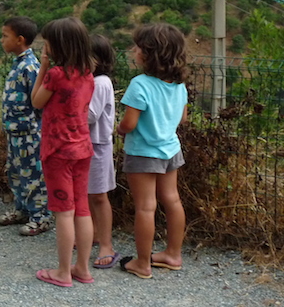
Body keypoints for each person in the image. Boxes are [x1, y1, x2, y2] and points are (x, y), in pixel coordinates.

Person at [117, 23, 188, 279]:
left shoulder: (140, 84)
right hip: (170, 150)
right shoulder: (179, 85)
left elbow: (130, 123)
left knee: (146, 207)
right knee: (173, 200)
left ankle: (143, 263)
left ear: (148, 53)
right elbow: (182, 119)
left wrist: (120, 129)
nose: (134, 50)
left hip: (143, 152)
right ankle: (172, 254)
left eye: (137, 46)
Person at [31, 17, 95, 287]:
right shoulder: (89, 74)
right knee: (82, 208)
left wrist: (44, 66)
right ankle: (82, 268)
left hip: (58, 151)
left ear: (57, 46)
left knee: (64, 212)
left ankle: (62, 272)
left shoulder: (56, 75)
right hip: (82, 148)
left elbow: (36, 101)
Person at [0, 16, 51, 236]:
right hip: (15, 132)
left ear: (20, 39)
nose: (1, 40)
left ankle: (41, 217)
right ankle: (22, 209)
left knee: (33, 176)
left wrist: (32, 125)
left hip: (29, 133)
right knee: (16, 173)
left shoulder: (31, 67)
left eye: (5, 36)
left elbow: (38, 102)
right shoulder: (18, 63)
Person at [87, 35, 119, 269]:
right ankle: (95, 234)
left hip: (97, 145)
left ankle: (106, 244)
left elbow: (89, 116)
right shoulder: (93, 81)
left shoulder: (100, 83)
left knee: (99, 195)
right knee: (89, 194)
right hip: (89, 145)